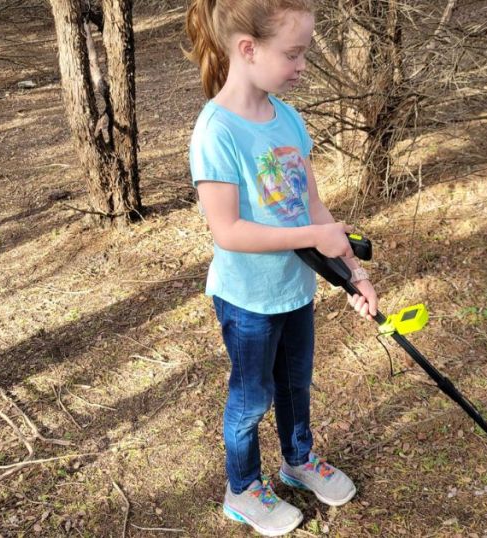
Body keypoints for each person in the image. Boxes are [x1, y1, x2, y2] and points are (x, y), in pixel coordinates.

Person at [185, 1, 378, 535]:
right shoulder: (216, 132)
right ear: (248, 49)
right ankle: (243, 489)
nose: (301, 67)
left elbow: (314, 208)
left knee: (295, 386)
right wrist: (312, 236)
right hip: (247, 300)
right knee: (251, 400)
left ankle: (297, 460)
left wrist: (353, 276)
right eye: (292, 54)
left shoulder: (287, 117)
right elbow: (228, 232)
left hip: (295, 290)